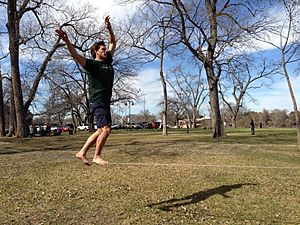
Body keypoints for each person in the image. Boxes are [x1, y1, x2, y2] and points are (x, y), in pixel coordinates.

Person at [55, 16, 116, 166]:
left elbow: (113, 42)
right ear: (95, 51)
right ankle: (97, 156)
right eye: (102, 49)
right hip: (98, 99)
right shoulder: (92, 64)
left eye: (105, 49)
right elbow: (75, 55)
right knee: (106, 129)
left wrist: (109, 28)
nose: (106, 51)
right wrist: (67, 41)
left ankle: (82, 152)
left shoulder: (108, 61)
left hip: (104, 101)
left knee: (100, 131)